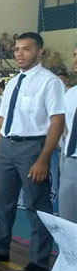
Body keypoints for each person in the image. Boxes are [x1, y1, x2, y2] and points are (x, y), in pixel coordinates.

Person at [0, 32, 66, 271]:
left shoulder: (50, 82)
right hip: (7, 145)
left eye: (26, 49)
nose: (19, 53)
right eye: (16, 49)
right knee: (4, 201)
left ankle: (39, 260)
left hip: (32, 147)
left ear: (40, 52)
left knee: (37, 205)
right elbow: (3, 121)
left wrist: (43, 158)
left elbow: (57, 121)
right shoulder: (14, 82)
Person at [61, 65, 77, 223]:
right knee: (68, 217)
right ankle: (67, 249)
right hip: (71, 158)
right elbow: (64, 123)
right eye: (74, 55)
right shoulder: (71, 94)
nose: (75, 60)